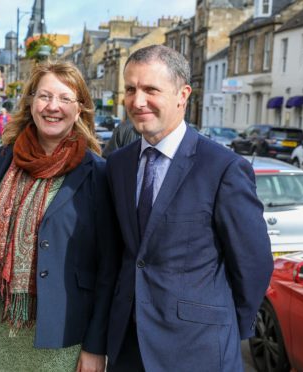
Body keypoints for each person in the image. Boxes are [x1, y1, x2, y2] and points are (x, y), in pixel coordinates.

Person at [105, 45, 273, 371]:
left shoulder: (223, 168)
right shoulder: (117, 165)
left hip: (199, 350)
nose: (137, 102)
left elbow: (253, 264)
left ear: (183, 95)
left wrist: (221, 327)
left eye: (151, 89)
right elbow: (120, 257)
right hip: (128, 347)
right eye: (130, 89)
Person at [0, 60, 118, 371]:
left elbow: (109, 268)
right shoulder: (2, 159)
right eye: (45, 96)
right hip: (2, 324)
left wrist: (95, 346)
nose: (54, 107)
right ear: (31, 102)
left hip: (64, 330)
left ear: (80, 110)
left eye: (65, 99)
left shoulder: (97, 174)